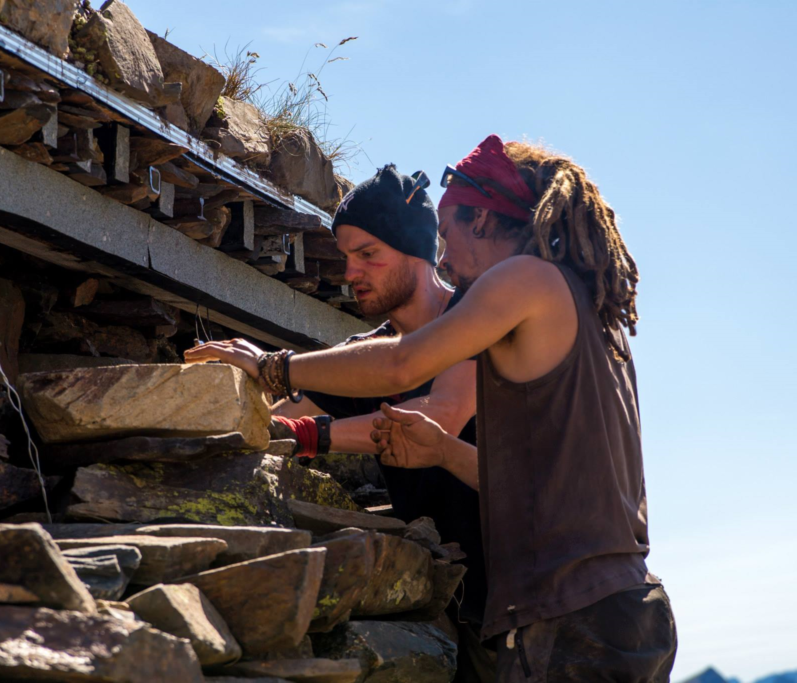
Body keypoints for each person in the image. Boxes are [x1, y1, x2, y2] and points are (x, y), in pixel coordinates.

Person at [186, 136, 677, 682]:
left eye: (448, 235)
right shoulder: (590, 311)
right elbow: (540, 486)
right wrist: (443, 452)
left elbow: (404, 365)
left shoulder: (525, 280)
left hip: (570, 622)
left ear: (485, 220)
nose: (443, 258)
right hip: (622, 611)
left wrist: (274, 367)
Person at [268, 164, 493, 682]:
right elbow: (271, 422)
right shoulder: (361, 359)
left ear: (416, 252)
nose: (351, 273)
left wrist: (307, 437)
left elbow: (440, 416)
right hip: (445, 608)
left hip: (522, 598)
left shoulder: (477, 318)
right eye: (347, 257)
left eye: (368, 254)